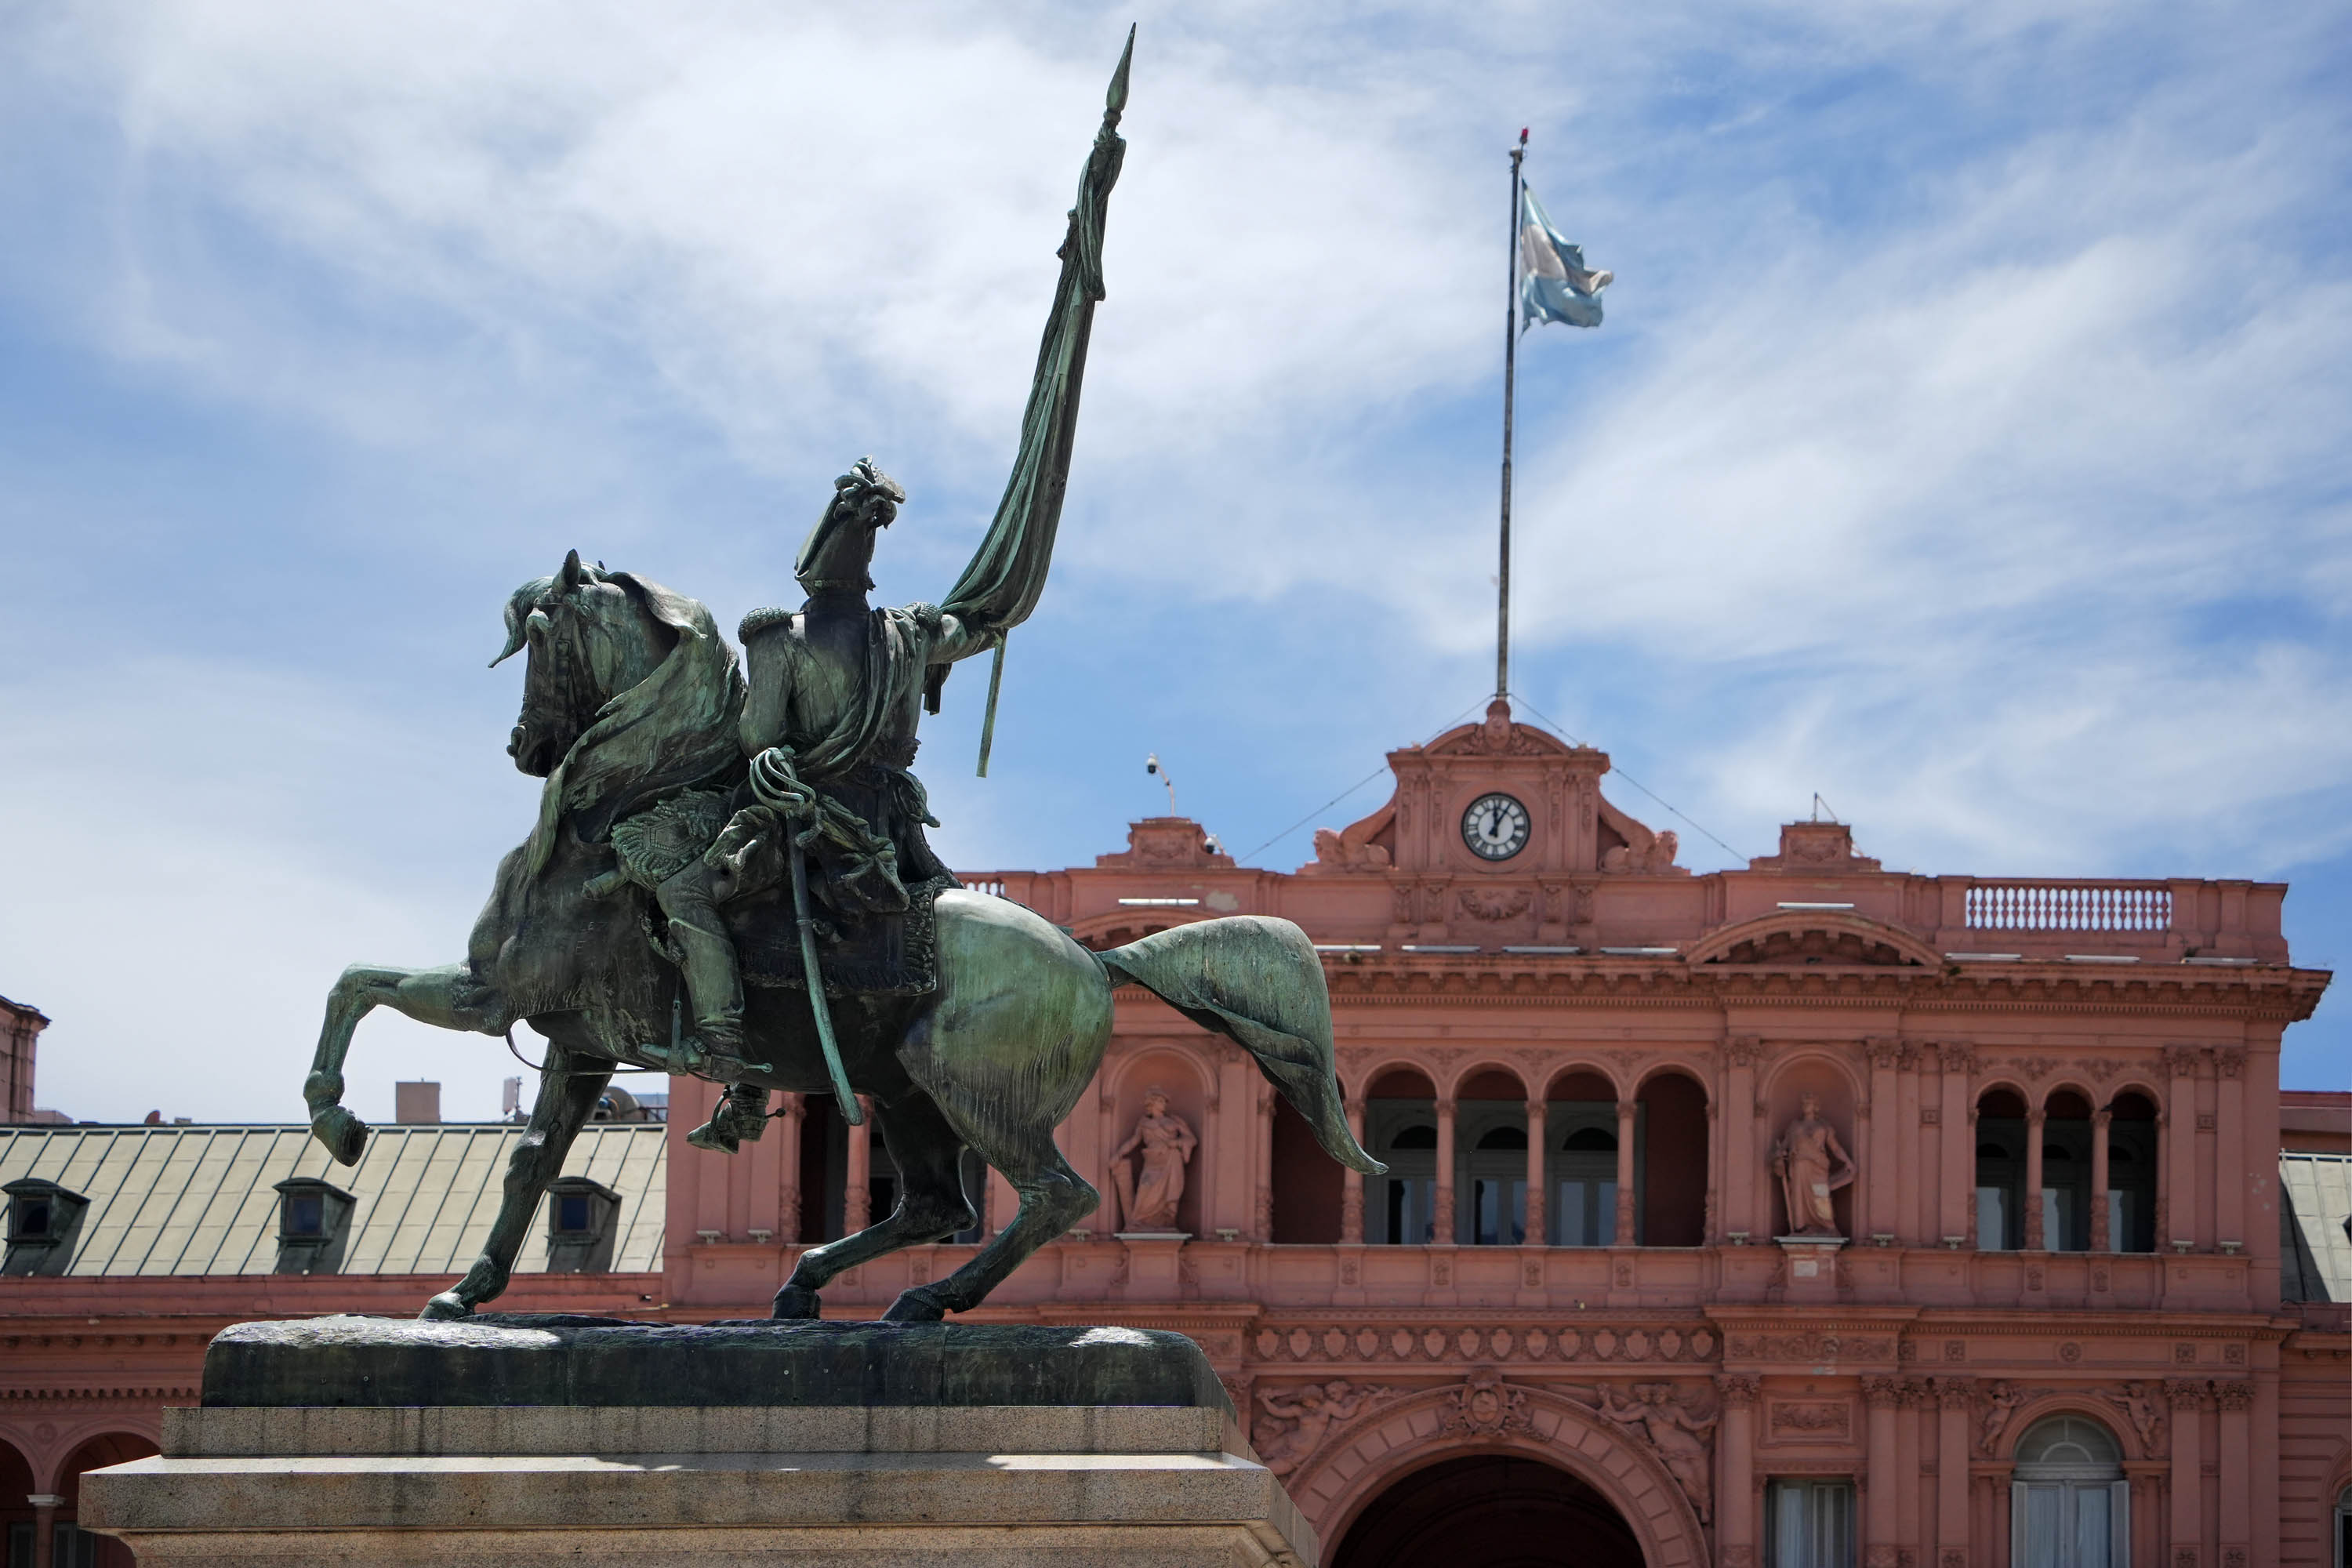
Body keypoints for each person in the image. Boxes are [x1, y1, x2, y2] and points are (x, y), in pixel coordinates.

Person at [1770, 1091, 1857, 1237]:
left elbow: (1835, 1148)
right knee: (1798, 1196)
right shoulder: (1794, 1126)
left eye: (1809, 1103)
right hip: (1799, 1166)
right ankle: (1800, 1228)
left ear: (1816, 1106)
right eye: (1804, 1103)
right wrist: (1778, 1155)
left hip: (1818, 1166)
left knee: (1821, 1195)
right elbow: (1783, 1147)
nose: (1806, 1105)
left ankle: (1828, 1228)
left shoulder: (1823, 1126)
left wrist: (1848, 1162)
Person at [1111, 1087, 1198, 1231]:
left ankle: (1167, 1223)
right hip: (1152, 1162)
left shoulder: (1174, 1122)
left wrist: (1176, 1143)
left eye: (1164, 1101)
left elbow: (1192, 1139)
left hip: (1171, 1160)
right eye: (1161, 1101)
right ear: (1153, 1103)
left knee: (1170, 1193)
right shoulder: (1144, 1123)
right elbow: (1133, 1141)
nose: (1164, 1104)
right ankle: (1141, 1223)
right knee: (1146, 1188)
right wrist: (1118, 1155)